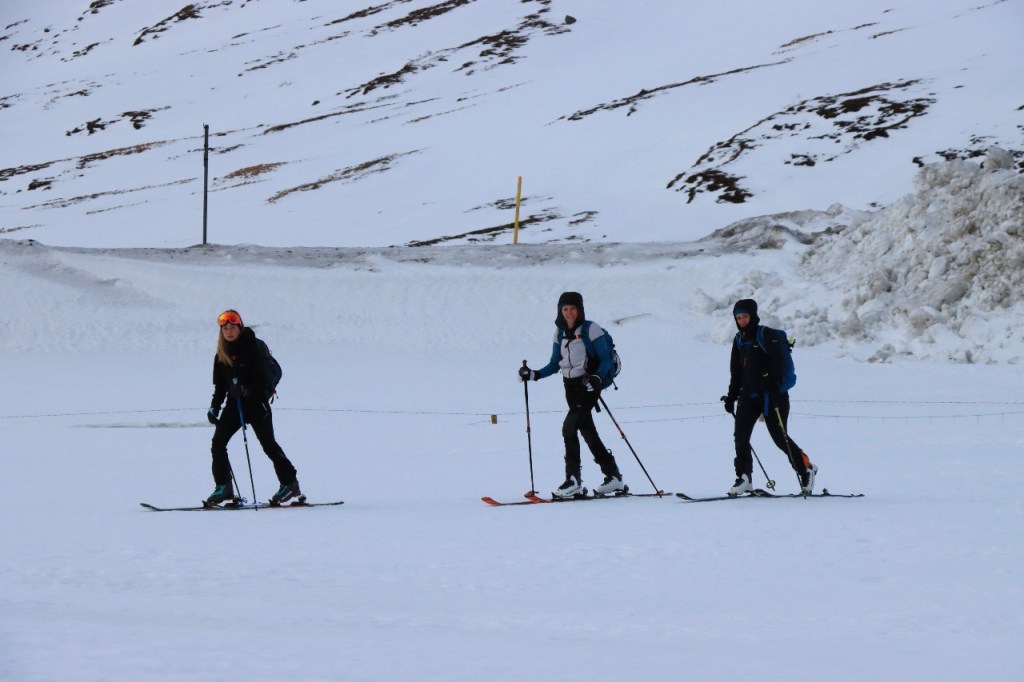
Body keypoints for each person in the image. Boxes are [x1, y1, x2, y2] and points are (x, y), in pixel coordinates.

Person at [519, 292, 625, 498]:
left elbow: (604, 359)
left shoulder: (591, 329)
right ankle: (614, 477)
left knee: (569, 427)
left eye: (573, 308)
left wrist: (597, 377)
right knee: (588, 432)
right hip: (570, 387)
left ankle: (573, 480)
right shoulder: (559, 333)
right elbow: (554, 364)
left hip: (588, 386)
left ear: (580, 310)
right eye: (565, 309)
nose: (569, 313)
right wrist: (534, 374)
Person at [721, 299, 817, 495]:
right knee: (740, 436)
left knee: (779, 438)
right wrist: (731, 397)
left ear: (753, 316)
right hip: (748, 396)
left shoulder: (766, 335)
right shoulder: (739, 340)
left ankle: (806, 468)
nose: (742, 321)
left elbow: (779, 364)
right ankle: (744, 477)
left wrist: (774, 386)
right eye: (738, 318)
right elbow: (736, 372)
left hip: (773, 396)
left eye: (745, 316)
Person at [206, 310, 301, 506]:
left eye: (232, 327)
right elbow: (220, 386)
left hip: (257, 405)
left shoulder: (253, 349)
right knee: (218, 443)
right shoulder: (222, 354)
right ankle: (223, 487)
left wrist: (245, 389)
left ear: (240, 328)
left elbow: (263, 382)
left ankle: (290, 482)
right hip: (234, 405)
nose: (229, 331)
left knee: (269, 445)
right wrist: (215, 407)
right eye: (225, 328)